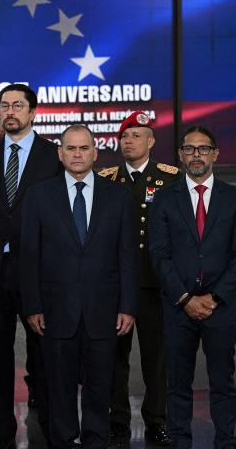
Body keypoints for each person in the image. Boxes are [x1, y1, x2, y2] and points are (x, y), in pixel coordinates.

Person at [20, 124, 139, 449]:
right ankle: (62, 441)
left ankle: (96, 442)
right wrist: (32, 305)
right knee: (58, 388)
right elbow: (29, 256)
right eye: (70, 148)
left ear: (95, 153)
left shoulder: (118, 196)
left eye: (83, 148)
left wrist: (128, 306)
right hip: (55, 313)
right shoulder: (39, 196)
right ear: (60, 153)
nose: (76, 154)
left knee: (101, 388)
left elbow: (127, 255)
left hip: (104, 312)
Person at [0, 83, 61, 448]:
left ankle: (53, 426)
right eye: (5, 105)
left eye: (18, 105)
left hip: (40, 273)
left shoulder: (54, 156)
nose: (10, 111)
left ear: (33, 113)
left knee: (46, 354)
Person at [149, 126, 236, 448]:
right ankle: (180, 441)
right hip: (178, 309)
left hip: (220, 309)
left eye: (203, 148)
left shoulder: (235, 198)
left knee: (222, 381)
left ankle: (226, 441)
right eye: (190, 149)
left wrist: (213, 297)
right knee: (177, 383)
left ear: (215, 154)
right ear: (180, 154)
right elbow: (159, 254)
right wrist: (184, 298)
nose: (197, 155)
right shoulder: (164, 199)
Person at [97, 111, 177, 445]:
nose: (129, 142)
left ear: (151, 140)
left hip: (155, 283)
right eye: (125, 137)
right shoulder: (106, 178)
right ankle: (117, 419)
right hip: (116, 285)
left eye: (137, 136)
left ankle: (157, 418)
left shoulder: (170, 178)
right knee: (115, 356)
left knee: (156, 356)